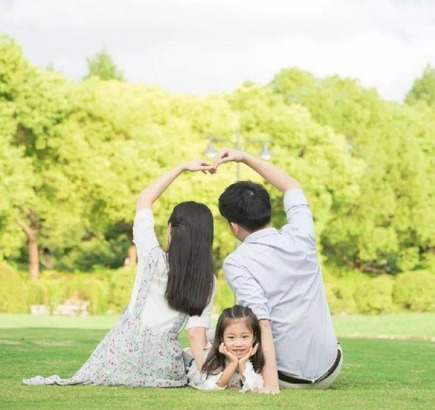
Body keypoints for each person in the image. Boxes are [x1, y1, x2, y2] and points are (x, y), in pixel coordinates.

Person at [23, 160, 217, 387]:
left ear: (171, 229)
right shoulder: (208, 280)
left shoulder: (152, 258)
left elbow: (143, 200)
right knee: (190, 354)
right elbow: (196, 334)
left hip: (121, 354)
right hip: (164, 366)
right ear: (206, 238)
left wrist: (181, 168)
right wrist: (206, 378)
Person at [212, 148, 343, 392]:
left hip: (286, 377)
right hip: (330, 369)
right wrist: (245, 157)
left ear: (234, 227)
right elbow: (291, 186)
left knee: (225, 329)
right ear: (267, 212)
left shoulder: (237, 262)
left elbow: (262, 321)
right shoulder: (301, 235)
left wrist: (270, 383)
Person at [185, 305, 264, 392]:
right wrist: (233, 363)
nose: (238, 344)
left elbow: (254, 389)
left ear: (254, 337)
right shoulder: (213, 357)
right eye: (231, 337)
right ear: (222, 338)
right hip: (187, 361)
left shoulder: (256, 357)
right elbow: (212, 387)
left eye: (244, 337)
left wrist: (242, 364)